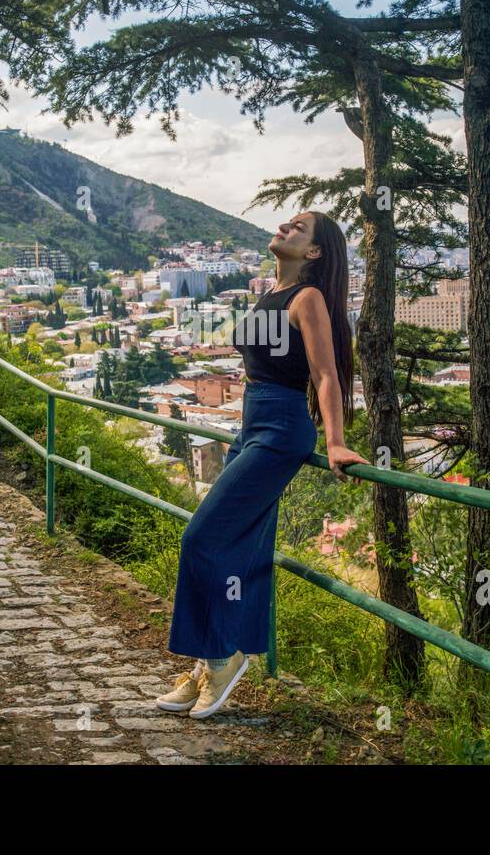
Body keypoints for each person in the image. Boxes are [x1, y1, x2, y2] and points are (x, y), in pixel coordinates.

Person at [155, 210, 369, 719]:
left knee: (201, 538)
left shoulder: (307, 298)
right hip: (251, 425)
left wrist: (335, 441)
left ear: (313, 252)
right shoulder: (271, 293)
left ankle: (221, 658)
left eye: (299, 228)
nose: (285, 228)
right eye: (287, 223)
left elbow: (326, 374)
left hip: (279, 430)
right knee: (242, 547)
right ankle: (214, 658)